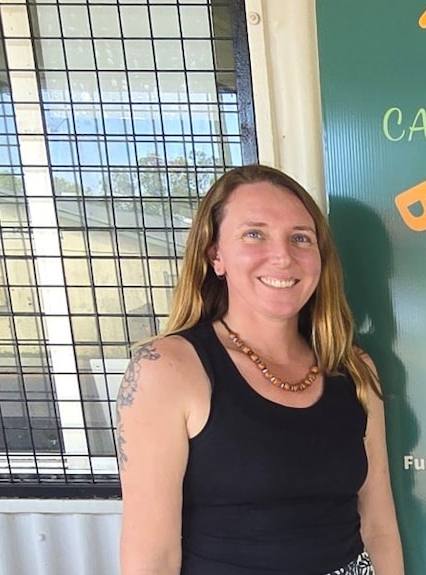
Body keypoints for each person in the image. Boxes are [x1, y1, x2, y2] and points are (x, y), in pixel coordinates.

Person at [116, 164, 404, 575]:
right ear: (215, 255)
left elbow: (378, 526)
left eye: (300, 238)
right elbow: (152, 556)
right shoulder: (168, 370)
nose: (283, 256)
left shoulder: (353, 368)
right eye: (255, 234)